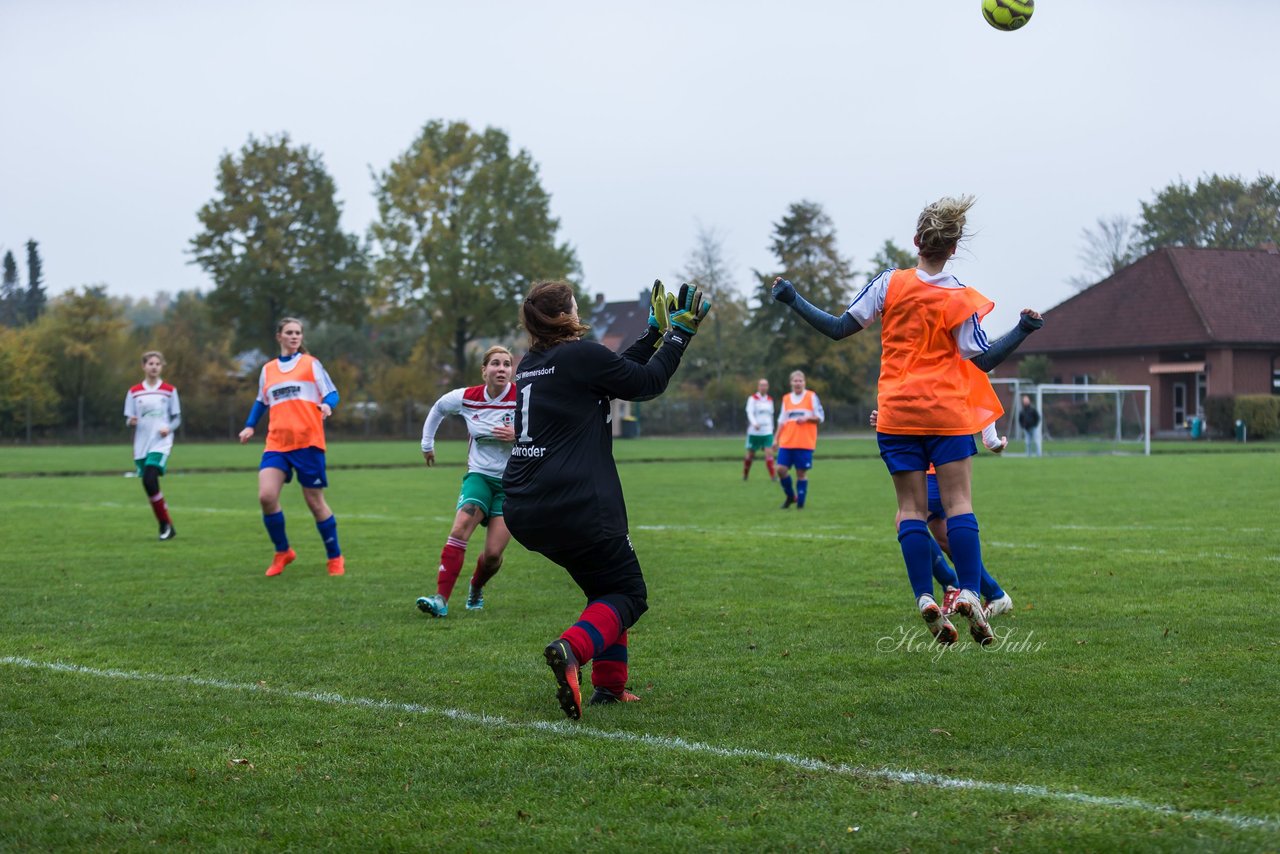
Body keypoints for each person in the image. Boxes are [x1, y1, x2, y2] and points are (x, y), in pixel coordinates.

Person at [772, 195, 1042, 645]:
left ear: (916, 240)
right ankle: (972, 591)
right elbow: (983, 361)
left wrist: (792, 298)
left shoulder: (889, 284)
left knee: (911, 511)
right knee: (958, 505)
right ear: (953, 249)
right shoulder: (959, 296)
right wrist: (1022, 329)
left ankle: (923, 597)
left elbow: (839, 328)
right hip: (947, 413)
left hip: (896, 412)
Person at [503, 279, 710, 720]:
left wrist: (652, 334)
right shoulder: (580, 354)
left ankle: (610, 688)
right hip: (574, 503)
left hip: (524, 504)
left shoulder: (533, 362)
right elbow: (646, 381)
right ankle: (572, 650)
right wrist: (680, 332)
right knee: (630, 594)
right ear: (566, 314)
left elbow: (612, 375)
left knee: (606, 590)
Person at [871, 409, 1015, 642]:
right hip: (926, 447)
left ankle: (953, 584)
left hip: (936, 459)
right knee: (945, 538)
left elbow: (977, 386)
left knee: (908, 519)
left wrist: (991, 437)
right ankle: (993, 593)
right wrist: (888, 415)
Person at [237, 317, 345, 578]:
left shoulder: (311, 364)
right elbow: (261, 401)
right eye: (289, 332)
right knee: (266, 496)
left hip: (308, 442)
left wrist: (328, 405)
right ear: (279, 337)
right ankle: (283, 552)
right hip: (277, 443)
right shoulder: (268, 369)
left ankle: (335, 557)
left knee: (314, 502)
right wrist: (250, 425)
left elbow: (332, 393)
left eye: (298, 332)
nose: (295, 336)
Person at [416, 345, 518, 618]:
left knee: (494, 555)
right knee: (460, 528)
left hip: (511, 483)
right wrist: (427, 444)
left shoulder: (522, 398)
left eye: (507, 364)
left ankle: (476, 586)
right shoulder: (467, 397)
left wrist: (518, 434)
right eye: (495, 364)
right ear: (484, 370)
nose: (502, 369)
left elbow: (546, 430)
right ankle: (440, 599)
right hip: (479, 477)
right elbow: (438, 408)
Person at [124, 350, 181, 541]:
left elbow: (177, 418)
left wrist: (168, 428)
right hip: (142, 444)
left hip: (161, 442)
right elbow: (129, 418)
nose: (154, 367)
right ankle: (166, 525)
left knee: (149, 478)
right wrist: (131, 421)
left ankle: (164, 524)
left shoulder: (169, 390)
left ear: (162, 366)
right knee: (149, 484)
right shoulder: (134, 392)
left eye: (157, 363)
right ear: (144, 366)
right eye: (150, 364)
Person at [772, 370, 824, 509]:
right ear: (791, 383)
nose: (798, 383)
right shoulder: (786, 399)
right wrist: (775, 439)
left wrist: (807, 419)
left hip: (804, 442)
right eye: (795, 381)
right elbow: (781, 421)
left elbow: (820, 417)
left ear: (804, 382)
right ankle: (790, 496)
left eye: (800, 381)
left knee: (800, 473)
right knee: (780, 470)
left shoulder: (811, 396)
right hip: (787, 442)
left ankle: (800, 503)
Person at [743, 378, 776, 481]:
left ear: (768, 387)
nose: (763, 387)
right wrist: (754, 423)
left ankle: (773, 477)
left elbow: (771, 415)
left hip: (767, 431)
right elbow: (749, 412)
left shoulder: (770, 400)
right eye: (761, 385)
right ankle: (745, 474)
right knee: (750, 455)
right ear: (758, 387)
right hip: (754, 432)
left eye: (765, 385)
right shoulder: (752, 399)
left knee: (769, 453)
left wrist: (772, 429)